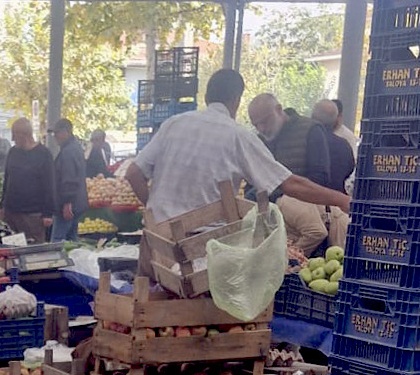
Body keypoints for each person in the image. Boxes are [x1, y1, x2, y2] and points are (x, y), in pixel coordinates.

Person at [125, 69, 349, 268]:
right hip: (201, 253)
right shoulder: (237, 136)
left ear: (206, 97)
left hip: (156, 245)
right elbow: (291, 184)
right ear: (236, 100)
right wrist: (341, 200)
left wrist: (157, 215)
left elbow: (133, 174)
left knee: (148, 301)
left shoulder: (173, 124)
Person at [247, 93, 333, 257]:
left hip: (305, 227)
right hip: (272, 228)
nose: (261, 128)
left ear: (279, 110)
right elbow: (251, 183)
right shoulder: (259, 141)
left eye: (265, 121)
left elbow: (320, 179)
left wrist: (284, 192)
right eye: (256, 124)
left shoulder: (310, 130)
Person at [1, 117, 54, 244]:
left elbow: (50, 185)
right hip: (11, 212)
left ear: (24, 135)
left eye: (15, 135)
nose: (13, 139)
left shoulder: (43, 154)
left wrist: (48, 213)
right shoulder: (13, 152)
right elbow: (7, 179)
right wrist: (2, 205)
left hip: (32, 214)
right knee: (10, 249)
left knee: (33, 249)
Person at [49, 118, 89, 243]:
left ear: (66, 132)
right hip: (77, 203)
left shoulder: (68, 152)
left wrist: (67, 203)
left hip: (68, 205)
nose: (55, 136)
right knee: (72, 240)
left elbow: (69, 178)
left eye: (57, 133)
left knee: (57, 241)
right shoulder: (74, 148)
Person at [310, 100, 356, 193]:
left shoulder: (305, 139)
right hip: (336, 197)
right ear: (336, 120)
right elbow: (350, 169)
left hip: (307, 195)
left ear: (312, 117)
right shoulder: (344, 145)